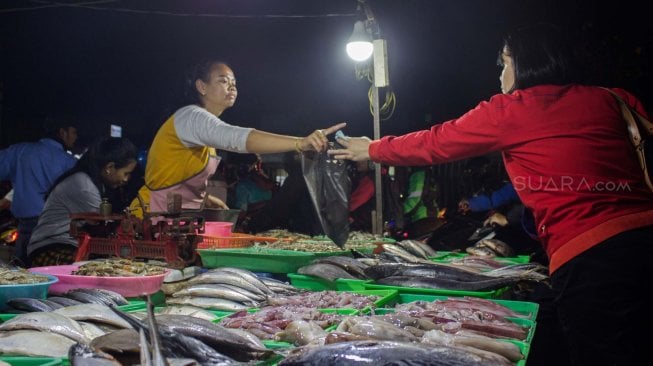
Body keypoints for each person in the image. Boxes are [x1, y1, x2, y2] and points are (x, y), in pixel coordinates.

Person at [330, 23, 653, 365]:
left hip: (591, 255)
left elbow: (436, 142)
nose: (501, 73)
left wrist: (374, 149)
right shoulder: (611, 98)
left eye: (505, 62)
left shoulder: (513, 109)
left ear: (526, 64)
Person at [130, 59, 345, 216]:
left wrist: (207, 199)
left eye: (234, 82)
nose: (232, 86)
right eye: (223, 81)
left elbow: (175, 183)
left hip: (178, 220)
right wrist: (299, 142)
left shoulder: (204, 131)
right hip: (149, 219)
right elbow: (236, 137)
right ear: (201, 86)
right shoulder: (191, 116)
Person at [27, 136, 138, 267]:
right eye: (126, 173)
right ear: (110, 167)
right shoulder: (84, 186)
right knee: (97, 270)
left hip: (71, 246)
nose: (126, 179)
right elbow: (104, 225)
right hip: (50, 249)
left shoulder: (98, 184)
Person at [0, 120, 78, 265]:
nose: (76, 137)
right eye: (74, 132)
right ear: (62, 132)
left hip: (26, 227)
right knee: (48, 275)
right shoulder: (69, 162)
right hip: (57, 231)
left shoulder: (20, 152)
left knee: (21, 274)